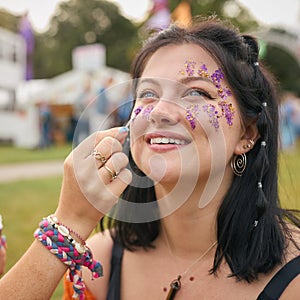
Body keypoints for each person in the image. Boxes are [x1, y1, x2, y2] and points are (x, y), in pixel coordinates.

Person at [1, 17, 300, 299]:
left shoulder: (293, 280)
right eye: (147, 94)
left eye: (196, 92)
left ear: (247, 134)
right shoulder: (99, 264)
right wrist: (69, 222)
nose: (159, 111)